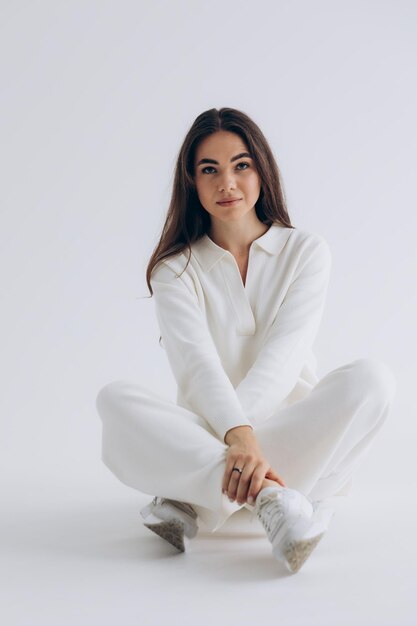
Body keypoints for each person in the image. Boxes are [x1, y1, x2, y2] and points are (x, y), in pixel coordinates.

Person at [95, 107, 397, 574]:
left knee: (374, 380)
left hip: (297, 444)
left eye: (241, 165)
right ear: (191, 183)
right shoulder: (174, 270)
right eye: (209, 170)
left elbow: (286, 355)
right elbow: (197, 368)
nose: (227, 183)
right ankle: (273, 500)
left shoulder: (306, 251)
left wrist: (245, 441)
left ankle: (191, 497)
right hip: (236, 448)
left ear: (262, 169)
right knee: (114, 400)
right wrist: (237, 439)